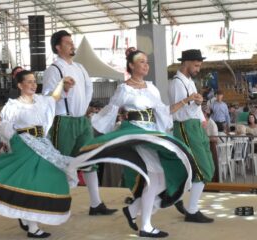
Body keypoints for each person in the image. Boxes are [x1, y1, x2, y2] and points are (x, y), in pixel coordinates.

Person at [71, 48, 195, 238]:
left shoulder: (151, 88)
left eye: (147, 62)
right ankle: (145, 226)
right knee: (154, 179)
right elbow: (110, 112)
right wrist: (107, 134)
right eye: (142, 62)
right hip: (137, 135)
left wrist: (187, 100)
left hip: (152, 134)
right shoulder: (124, 89)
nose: (146, 65)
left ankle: (133, 210)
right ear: (131, 65)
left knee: (162, 178)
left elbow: (163, 111)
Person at [0, 70, 76, 238]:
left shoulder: (41, 101)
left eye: (34, 81)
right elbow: (6, 128)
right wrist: (8, 144)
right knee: (29, 181)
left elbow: (54, 98)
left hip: (42, 143)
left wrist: (62, 82)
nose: (33, 84)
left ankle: (27, 217)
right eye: (29, 81)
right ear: (20, 85)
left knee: (50, 175)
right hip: (23, 144)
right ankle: (32, 227)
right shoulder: (13, 105)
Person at [42, 30, 117, 216]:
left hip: (81, 120)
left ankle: (96, 204)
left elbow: (89, 89)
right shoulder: (54, 69)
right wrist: (63, 87)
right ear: (58, 47)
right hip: (63, 121)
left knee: (89, 159)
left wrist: (83, 108)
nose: (72, 45)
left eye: (71, 42)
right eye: (67, 43)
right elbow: (47, 97)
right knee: (60, 162)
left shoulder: (80, 68)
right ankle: (52, 203)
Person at [168, 49, 215, 223]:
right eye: (196, 65)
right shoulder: (176, 83)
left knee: (205, 166)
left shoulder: (188, 82)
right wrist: (195, 104)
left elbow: (193, 108)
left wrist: (201, 117)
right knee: (202, 168)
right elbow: (178, 113)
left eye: (199, 65)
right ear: (186, 63)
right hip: (185, 127)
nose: (198, 68)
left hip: (195, 126)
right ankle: (192, 210)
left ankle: (175, 194)